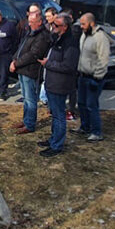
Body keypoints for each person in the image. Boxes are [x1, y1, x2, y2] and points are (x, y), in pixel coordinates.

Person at [39, 13, 80, 157]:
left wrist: (48, 63)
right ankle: (52, 139)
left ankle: (57, 145)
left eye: (56, 25)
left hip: (60, 84)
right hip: (52, 82)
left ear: (65, 26)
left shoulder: (71, 43)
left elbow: (69, 66)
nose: (53, 27)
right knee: (54, 115)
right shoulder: (58, 38)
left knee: (59, 116)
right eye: (53, 25)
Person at [11, 7, 51, 134]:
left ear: (39, 22)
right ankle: (26, 119)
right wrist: (14, 59)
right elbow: (21, 47)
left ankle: (30, 124)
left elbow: (33, 54)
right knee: (25, 97)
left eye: (32, 22)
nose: (29, 24)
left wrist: (16, 63)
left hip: (31, 71)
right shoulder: (30, 32)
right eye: (29, 21)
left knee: (30, 99)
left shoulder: (43, 36)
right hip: (22, 70)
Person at [76, 13, 110, 142]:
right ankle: (85, 127)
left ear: (91, 23)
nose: (81, 26)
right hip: (82, 75)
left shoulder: (100, 37)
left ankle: (96, 132)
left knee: (91, 105)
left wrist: (97, 77)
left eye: (83, 24)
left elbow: (103, 59)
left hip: (93, 78)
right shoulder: (85, 35)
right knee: (82, 103)